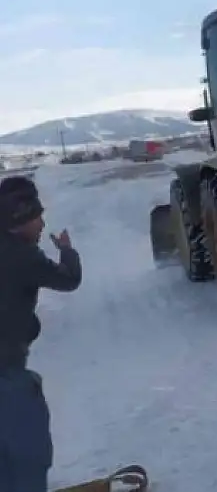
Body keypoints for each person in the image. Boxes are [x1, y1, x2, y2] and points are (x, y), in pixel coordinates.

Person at [0, 175, 82, 492]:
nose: (41, 223)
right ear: (18, 219)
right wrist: (67, 250)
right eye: (37, 217)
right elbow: (68, 280)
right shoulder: (23, 256)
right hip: (5, 373)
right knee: (25, 452)